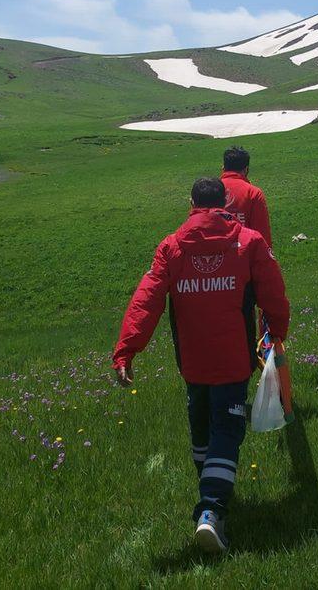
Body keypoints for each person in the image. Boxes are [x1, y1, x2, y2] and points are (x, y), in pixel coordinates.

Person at [112, 177, 290, 554]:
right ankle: (211, 511)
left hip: (192, 362)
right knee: (226, 430)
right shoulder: (249, 242)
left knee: (202, 429)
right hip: (233, 360)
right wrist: (277, 333)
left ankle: (210, 487)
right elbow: (275, 295)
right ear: (224, 200)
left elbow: (147, 300)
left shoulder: (172, 247)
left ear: (190, 202)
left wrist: (127, 350)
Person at [221, 146, 272, 248]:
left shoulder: (207, 190)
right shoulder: (253, 193)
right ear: (246, 170)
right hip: (244, 255)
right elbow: (262, 233)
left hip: (214, 257)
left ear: (223, 168)